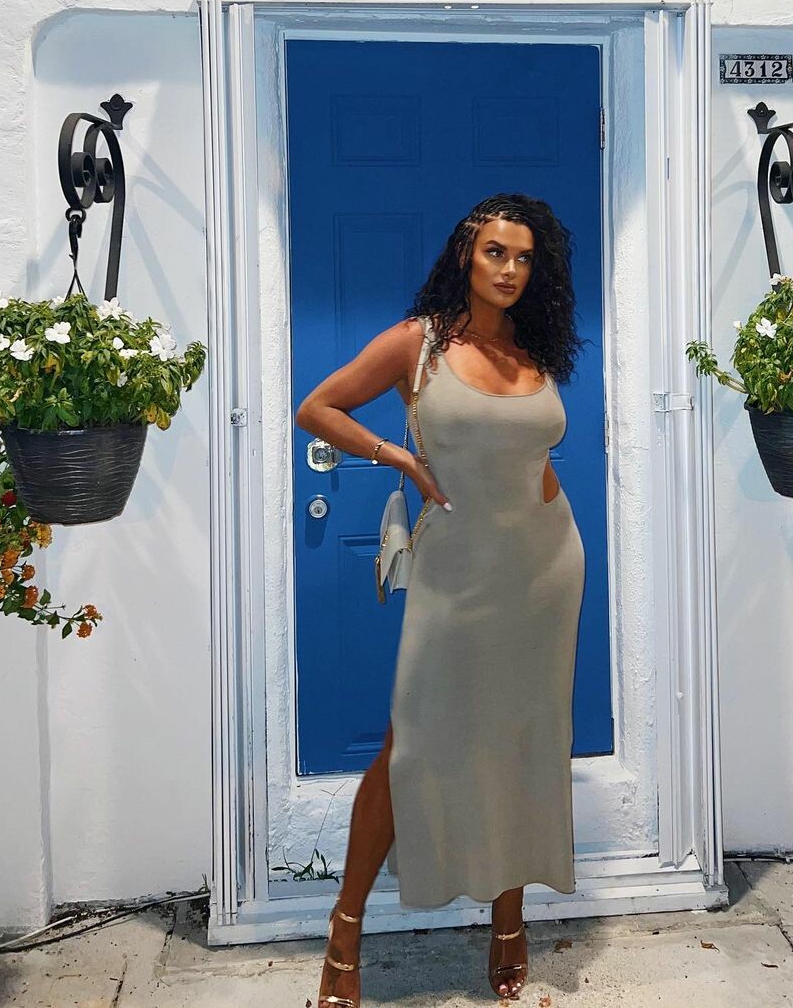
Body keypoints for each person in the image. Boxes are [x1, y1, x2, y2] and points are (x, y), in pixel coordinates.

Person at [295, 193, 587, 1005]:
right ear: (466, 253)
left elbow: (532, 453)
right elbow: (316, 408)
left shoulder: (531, 348)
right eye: (496, 252)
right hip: (456, 570)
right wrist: (398, 457)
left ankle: (508, 921)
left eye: (524, 257)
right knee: (412, 743)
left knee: (521, 740)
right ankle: (344, 927)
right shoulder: (417, 343)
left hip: (545, 565)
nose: (510, 269)